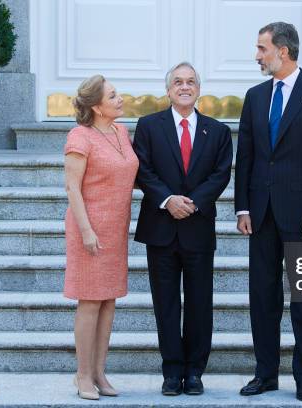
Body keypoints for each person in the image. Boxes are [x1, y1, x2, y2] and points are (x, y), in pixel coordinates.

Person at [234, 22, 302, 402]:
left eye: (262, 48)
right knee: (262, 299)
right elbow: (245, 155)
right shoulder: (255, 95)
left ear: (283, 51)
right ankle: (265, 375)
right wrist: (242, 206)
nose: (257, 55)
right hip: (260, 215)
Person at [133, 62, 233, 396]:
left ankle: (194, 372)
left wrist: (191, 202)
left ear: (199, 88)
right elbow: (142, 170)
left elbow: (221, 174)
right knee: (165, 304)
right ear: (168, 89)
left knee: (200, 303)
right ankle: (172, 372)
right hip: (160, 228)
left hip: (198, 227)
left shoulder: (217, 131)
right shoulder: (148, 126)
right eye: (178, 81)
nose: (185, 86)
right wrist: (167, 200)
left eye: (191, 82)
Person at [64, 75, 139, 400]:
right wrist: (86, 231)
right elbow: (72, 188)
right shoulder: (80, 136)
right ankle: (82, 376)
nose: (120, 98)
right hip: (89, 230)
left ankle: (99, 373)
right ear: (96, 105)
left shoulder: (121, 132)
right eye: (113, 95)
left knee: (108, 301)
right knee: (90, 300)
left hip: (115, 229)